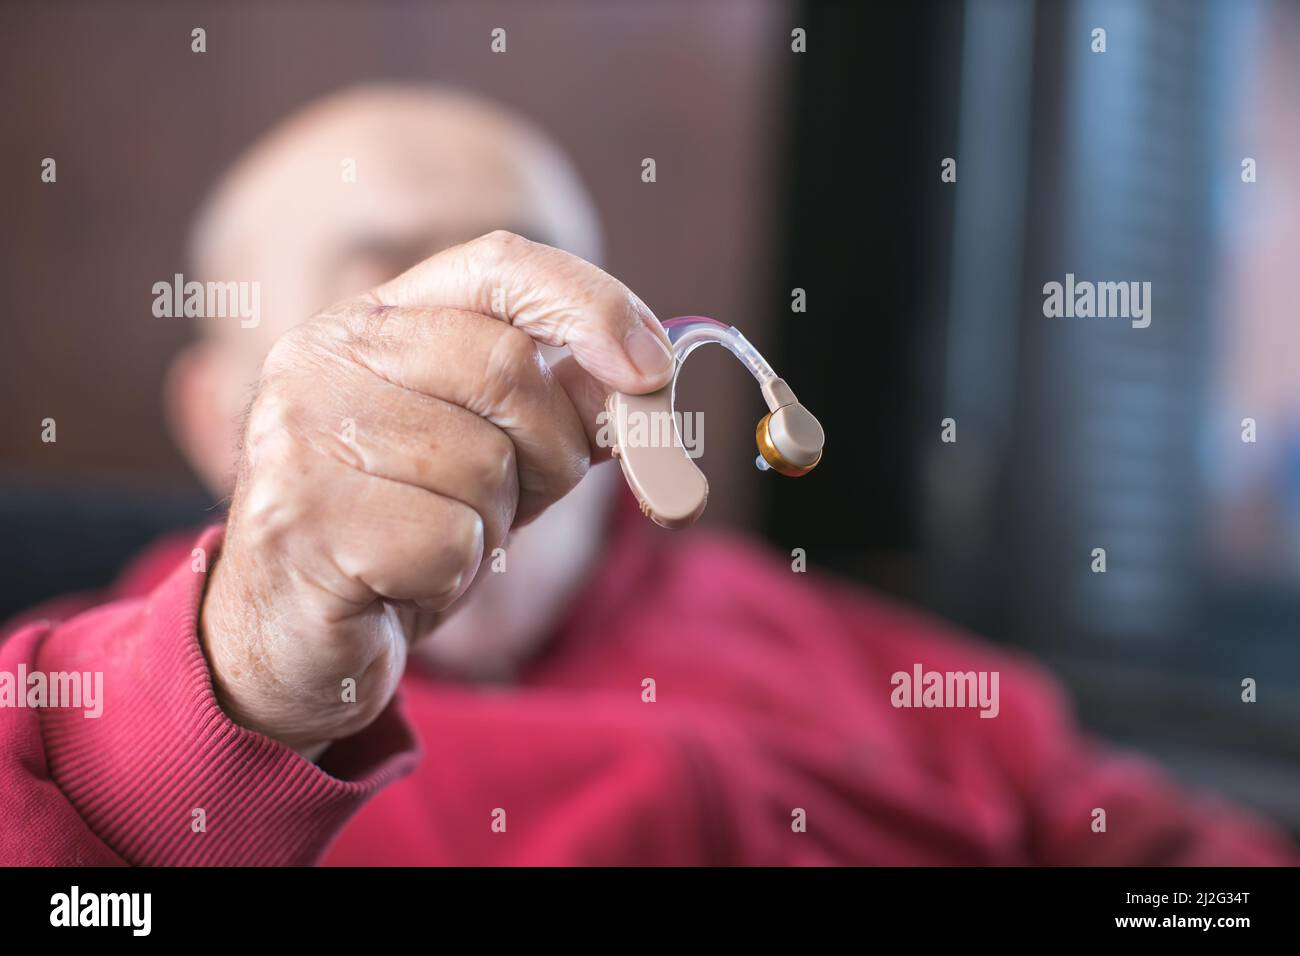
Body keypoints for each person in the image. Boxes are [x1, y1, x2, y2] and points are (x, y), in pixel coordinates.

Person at [1, 84, 1293, 865]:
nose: (501, 335)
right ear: (218, 409)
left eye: (538, 269)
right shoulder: (72, 729)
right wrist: (231, 690)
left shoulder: (892, 670)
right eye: (387, 289)